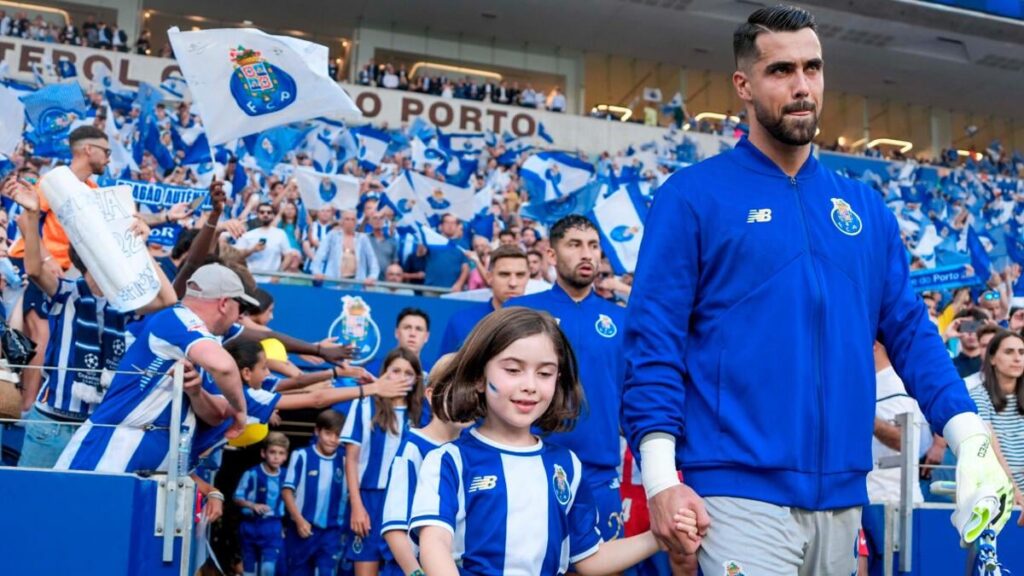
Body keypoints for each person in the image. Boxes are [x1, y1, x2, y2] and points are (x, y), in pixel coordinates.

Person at [622, 6, 1015, 573]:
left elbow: (911, 334)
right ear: (744, 86)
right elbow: (653, 345)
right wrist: (660, 479)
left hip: (843, 500)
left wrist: (969, 435)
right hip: (737, 495)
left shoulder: (864, 208)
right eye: (781, 71)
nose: (802, 86)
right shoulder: (691, 197)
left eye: (813, 68)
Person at [411, 307, 690, 575]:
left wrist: (660, 536)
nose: (530, 385)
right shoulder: (449, 461)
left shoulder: (566, 465)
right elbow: (434, 545)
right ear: (479, 378)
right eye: (513, 370)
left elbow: (591, 558)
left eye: (544, 373)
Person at [10, 183, 177, 467]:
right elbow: (35, 269)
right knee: (35, 502)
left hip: (95, 427)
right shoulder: (65, 291)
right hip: (52, 423)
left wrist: (139, 247)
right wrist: (34, 213)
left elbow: (168, 300)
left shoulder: (123, 302)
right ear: (89, 258)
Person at [55, 264, 253, 473]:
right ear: (224, 303)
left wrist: (196, 393)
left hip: (151, 470)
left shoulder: (204, 343)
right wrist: (241, 411)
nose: (240, 316)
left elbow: (217, 414)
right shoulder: (178, 319)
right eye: (241, 307)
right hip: (108, 453)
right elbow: (224, 368)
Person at [506, 215, 627, 543]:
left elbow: (632, 398)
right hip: (530, 466)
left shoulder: (622, 320)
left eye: (593, 246)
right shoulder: (520, 312)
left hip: (600, 475)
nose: (586, 254)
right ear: (551, 254)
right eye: (574, 245)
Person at [6, 126, 111, 411]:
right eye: (106, 151)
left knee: (53, 338)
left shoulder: (92, 189)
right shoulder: (56, 181)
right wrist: (47, 258)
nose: (109, 158)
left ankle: (31, 403)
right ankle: (25, 410)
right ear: (88, 149)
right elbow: (24, 221)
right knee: (42, 337)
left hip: (64, 275)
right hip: (34, 266)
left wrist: (164, 217)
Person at [381, 353, 467, 576]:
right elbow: (394, 527)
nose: (463, 401)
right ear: (431, 395)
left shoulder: (469, 451)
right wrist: (416, 572)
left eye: (470, 393)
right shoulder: (413, 449)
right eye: (454, 392)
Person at [342, 348, 424, 576]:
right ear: (384, 373)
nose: (401, 377)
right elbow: (351, 458)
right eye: (395, 370)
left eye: (408, 373)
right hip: (369, 499)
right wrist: (357, 506)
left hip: (409, 503)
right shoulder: (365, 404)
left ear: (417, 379)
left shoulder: (422, 414)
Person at [282, 409, 348, 576]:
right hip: (302, 528)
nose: (333, 440)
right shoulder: (301, 455)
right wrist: (299, 520)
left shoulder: (345, 461)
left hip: (331, 532)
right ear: (317, 431)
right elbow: (287, 491)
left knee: (328, 572)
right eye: (328, 433)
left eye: (337, 435)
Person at [969, 330, 1024, 514]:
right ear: (992, 358)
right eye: (1009, 352)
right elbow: (993, 449)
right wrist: (1014, 490)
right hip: (1000, 496)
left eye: (1021, 352)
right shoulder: (979, 396)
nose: (1017, 358)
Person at [439, 245, 529, 354]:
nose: (513, 283)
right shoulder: (461, 321)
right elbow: (444, 369)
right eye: (504, 274)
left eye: (520, 275)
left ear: (528, 277)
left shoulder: (540, 324)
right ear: (489, 277)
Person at [234, 432, 290, 576]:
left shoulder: (287, 476)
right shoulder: (252, 473)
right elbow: (237, 497)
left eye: (281, 453)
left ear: (285, 456)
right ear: (263, 453)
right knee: (249, 569)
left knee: (268, 568)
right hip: (250, 526)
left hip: (272, 526)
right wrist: (252, 506)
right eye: (272, 452)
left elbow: (293, 500)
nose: (276, 456)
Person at [235, 203, 301, 282]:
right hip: (251, 280)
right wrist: (252, 250)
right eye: (262, 212)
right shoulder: (247, 234)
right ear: (257, 214)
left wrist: (278, 274)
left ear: (273, 215)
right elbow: (236, 255)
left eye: (269, 212)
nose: (265, 215)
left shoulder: (280, 234)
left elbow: (288, 255)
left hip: (271, 281)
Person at [312, 209, 379, 286]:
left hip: (356, 282)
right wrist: (316, 272)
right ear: (341, 221)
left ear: (356, 222)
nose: (350, 222)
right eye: (347, 219)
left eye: (353, 219)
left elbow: (372, 260)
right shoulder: (333, 236)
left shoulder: (362, 238)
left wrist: (372, 277)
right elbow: (319, 255)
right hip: (333, 280)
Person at [417, 213, 469, 291]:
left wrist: (459, 284)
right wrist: (423, 237)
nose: (450, 226)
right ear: (441, 226)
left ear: (457, 226)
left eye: (453, 223)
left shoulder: (463, 244)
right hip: (431, 288)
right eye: (447, 222)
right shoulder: (432, 240)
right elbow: (420, 253)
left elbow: (465, 267)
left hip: (452, 289)